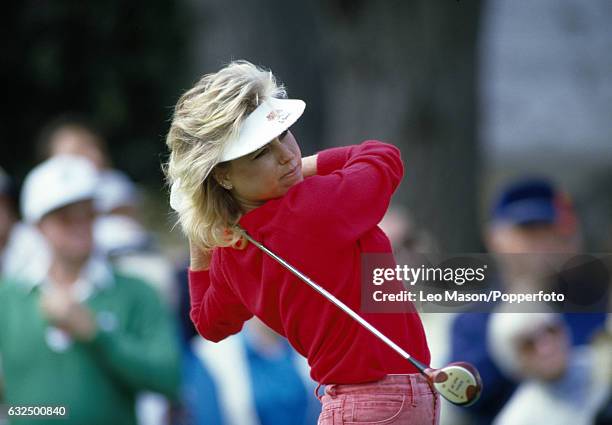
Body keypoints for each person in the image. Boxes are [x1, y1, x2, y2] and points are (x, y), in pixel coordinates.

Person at [165, 60, 436, 424]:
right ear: (223, 176)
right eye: (260, 152)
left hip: (366, 405)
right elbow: (383, 158)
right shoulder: (310, 207)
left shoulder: (232, 253)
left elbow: (209, 323)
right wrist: (308, 165)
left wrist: (200, 246)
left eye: (283, 133)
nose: (286, 155)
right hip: (377, 403)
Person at [0, 155, 180, 425]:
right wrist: (26, 412)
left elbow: (170, 379)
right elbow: (14, 401)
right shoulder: (8, 297)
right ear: (38, 226)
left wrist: (98, 335)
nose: (80, 225)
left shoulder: (137, 291)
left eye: (88, 213)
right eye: (64, 217)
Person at [449, 178, 607, 425]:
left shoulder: (594, 307)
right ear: (495, 238)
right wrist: (511, 357)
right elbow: (463, 399)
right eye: (527, 231)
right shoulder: (474, 318)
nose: (541, 244)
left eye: (550, 231)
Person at [487, 306, 609, 425]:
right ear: (512, 360)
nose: (546, 348)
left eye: (551, 330)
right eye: (529, 344)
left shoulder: (604, 363)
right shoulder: (517, 420)